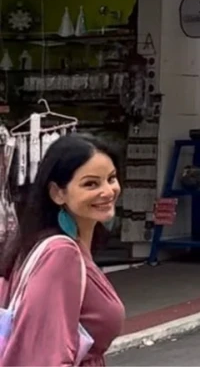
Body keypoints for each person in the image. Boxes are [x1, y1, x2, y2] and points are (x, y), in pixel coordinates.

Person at [0, 134, 126, 366]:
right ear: (58, 193)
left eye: (111, 178)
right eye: (91, 183)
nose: (108, 191)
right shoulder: (61, 253)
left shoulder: (39, 244)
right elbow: (46, 356)